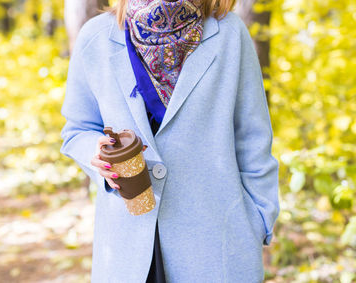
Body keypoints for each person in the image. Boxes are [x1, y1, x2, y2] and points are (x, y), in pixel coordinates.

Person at [59, 0, 280, 281]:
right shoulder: (96, 37)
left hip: (217, 240)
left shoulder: (229, 33)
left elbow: (253, 138)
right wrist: (95, 153)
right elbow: (77, 128)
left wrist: (259, 220)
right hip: (129, 245)